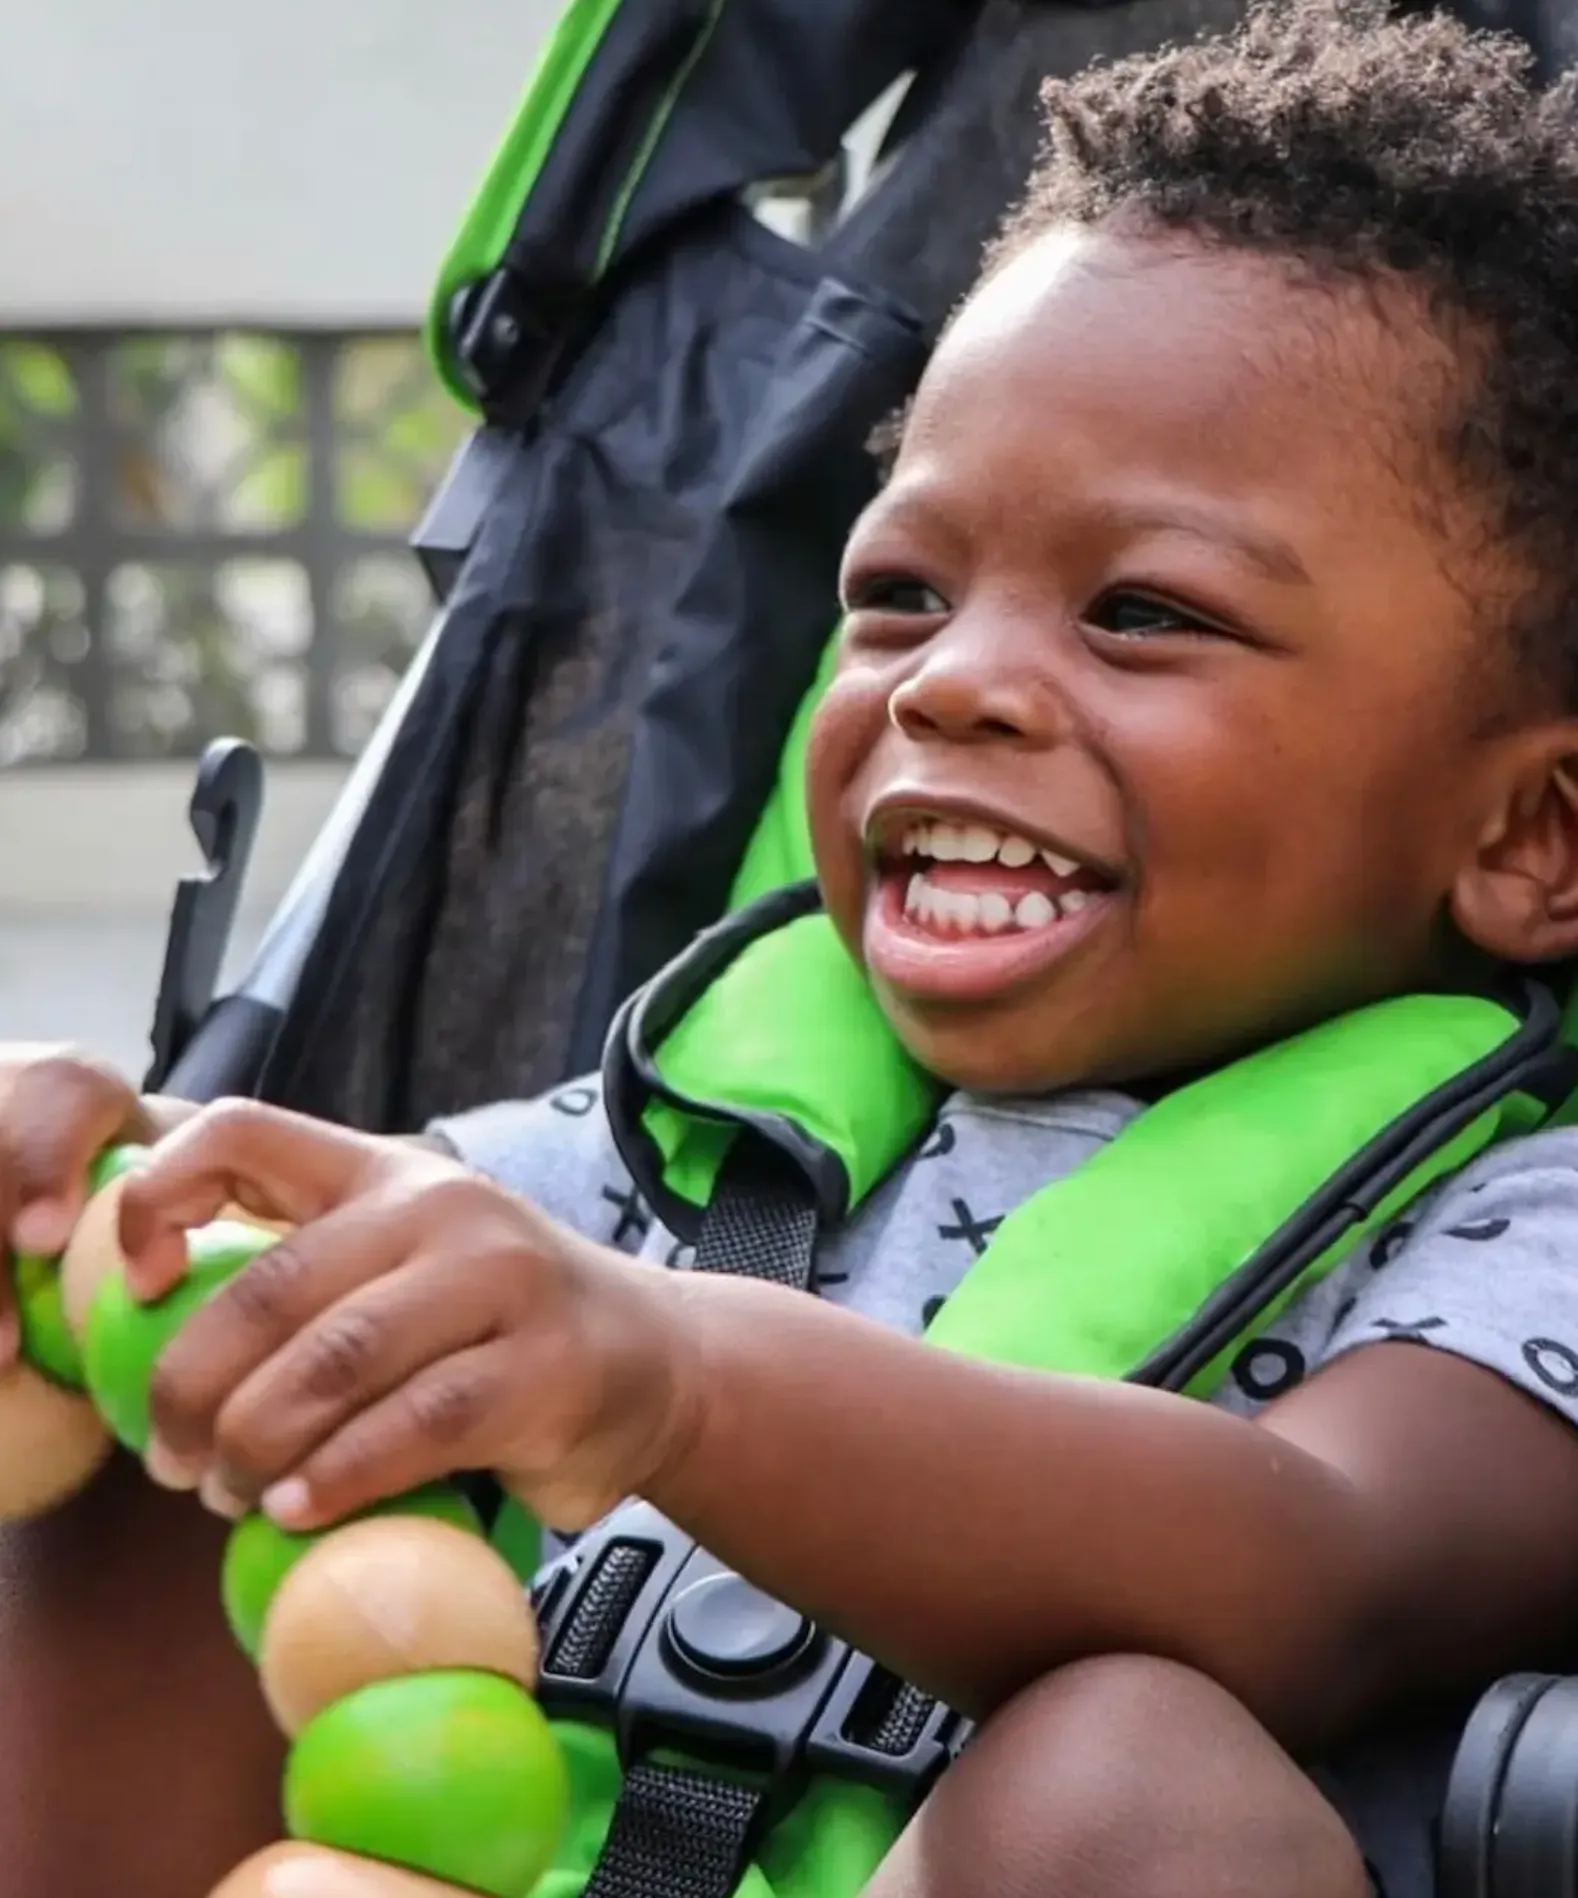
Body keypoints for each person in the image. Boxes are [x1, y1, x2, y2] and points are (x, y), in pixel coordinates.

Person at [9, 1, 1578, 1890]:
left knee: (1125, 1769)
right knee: (210, 1411)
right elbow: (394, 1263)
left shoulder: (1517, 1228)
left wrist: (665, 1374)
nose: (959, 683)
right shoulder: (678, 1125)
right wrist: (125, 1221)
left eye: (1147, 613)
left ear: (1527, 837)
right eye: (898, 591)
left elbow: (1323, 1562)